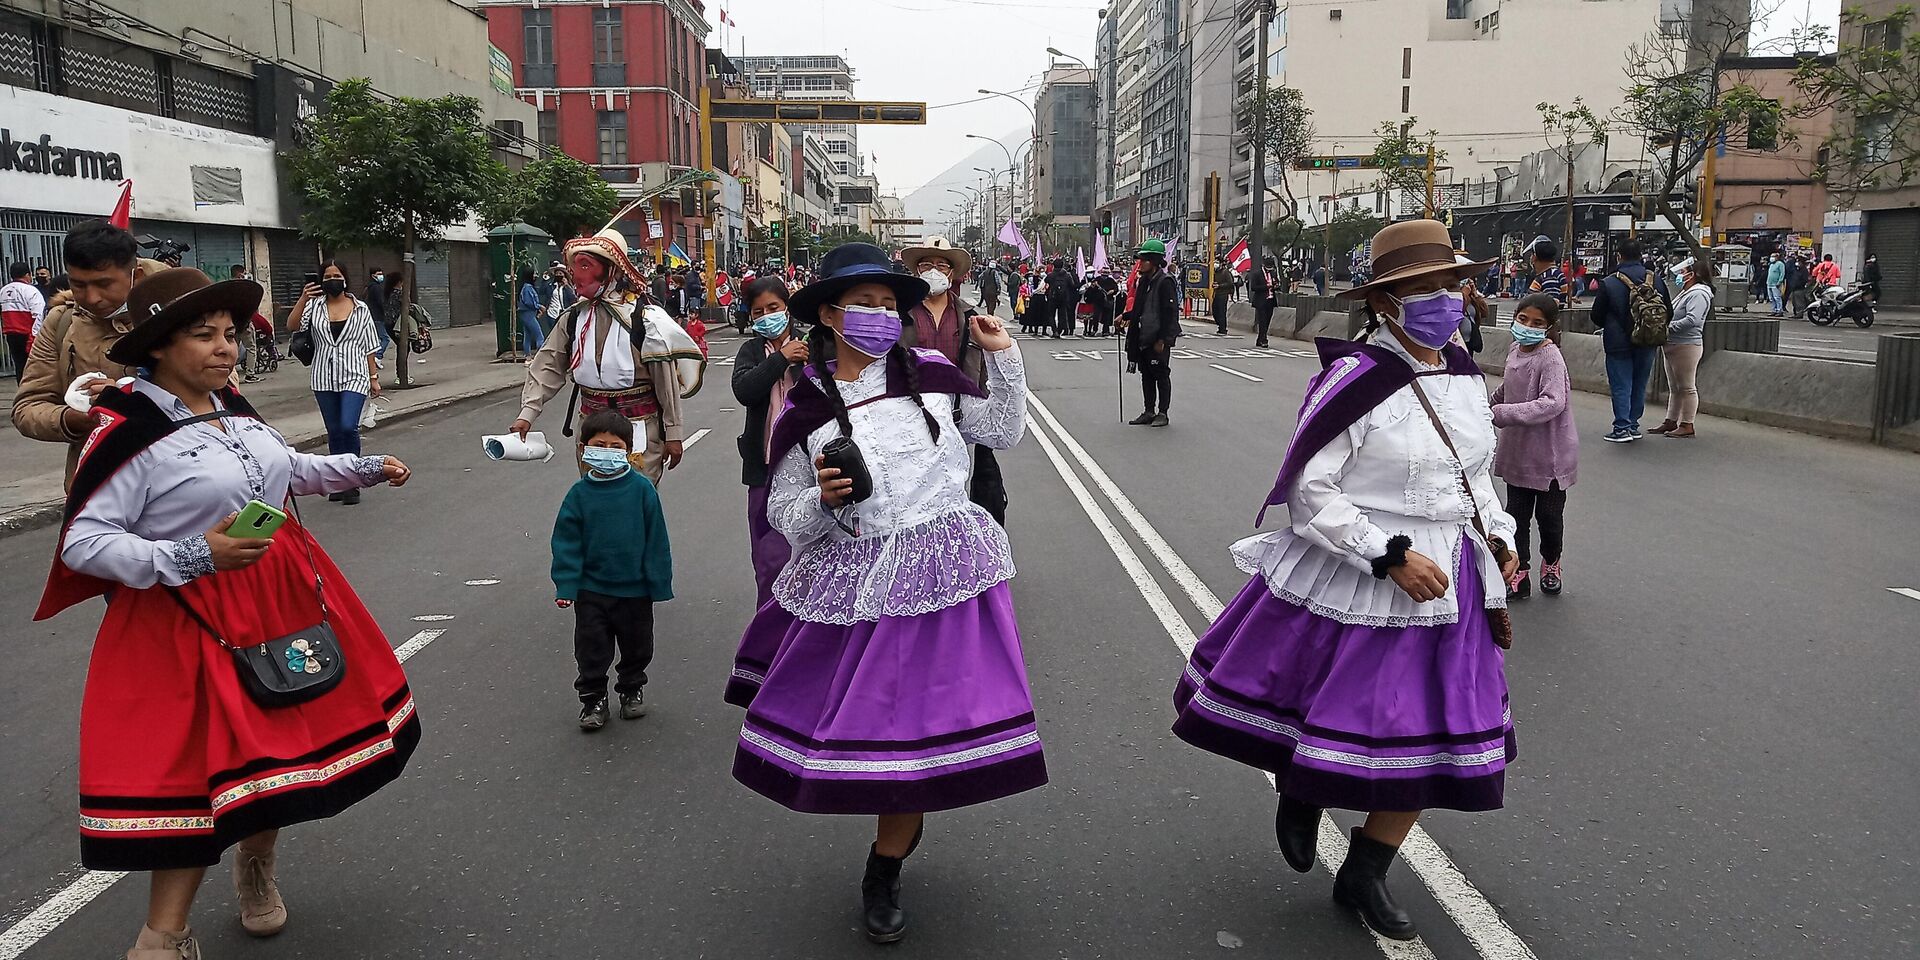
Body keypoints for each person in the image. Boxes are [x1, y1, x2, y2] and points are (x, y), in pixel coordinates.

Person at [35, 266, 417, 960]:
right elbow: (86, 543)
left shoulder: (232, 406)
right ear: (157, 347)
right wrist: (191, 554)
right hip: (184, 618)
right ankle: (163, 935)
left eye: (230, 335)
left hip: (276, 596)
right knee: (197, 775)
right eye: (203, 336)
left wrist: (361, 467)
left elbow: (283, 472)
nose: (225, 349)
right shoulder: (124, 429)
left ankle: (255, 869)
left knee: (276, 751)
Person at [1172, 219, 1519, 943]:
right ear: (1385, 302)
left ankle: (1367, 867)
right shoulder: (1356, 380)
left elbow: (1475, 477)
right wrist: (1385, 554)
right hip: (1365, 574)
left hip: (1451, 577)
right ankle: (1303, 789)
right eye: (1425, 289)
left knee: (1438, 736)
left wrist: (1501, 538)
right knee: (1349, 719)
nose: (1446, 300)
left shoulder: (1462, 376)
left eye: (1452, 285)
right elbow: (1309, 492)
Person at [727, 242, 1043, 944]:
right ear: (830, 316)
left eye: (885, 304)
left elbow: (1002, 431)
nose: (877, 316)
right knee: (880, 732)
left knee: (922, 736)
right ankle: (888, 857)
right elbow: (786, 515)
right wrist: (823, 497)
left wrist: (1006, 357)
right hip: (860, 586)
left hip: (944, 577)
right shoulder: (804, 410)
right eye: (861, 305)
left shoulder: (931, 375)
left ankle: (886, 863)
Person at [510, 229, 704, 486]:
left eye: (587, 265)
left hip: (638, 426)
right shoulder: (573, 318)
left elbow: (665, 382)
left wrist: (674, 433)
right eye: (576, 266)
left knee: (635, 501)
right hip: (591, 429)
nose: (577, 275)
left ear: (612, 269)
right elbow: (548, 365)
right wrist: (527, 413)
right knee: (595, 500)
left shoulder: (644, 320)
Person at [12, 220, 167, 486]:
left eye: (104, 284)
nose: (92, 297)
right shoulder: (62, 322)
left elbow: (221, 391)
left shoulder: (177, 313)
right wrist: (72, 420)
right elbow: (27, 407)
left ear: (136, 276)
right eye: (79, 285)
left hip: (176, 479)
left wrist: (126, 398)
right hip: (96, 488)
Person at [551, 409, 673, 731]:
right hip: (592, 590)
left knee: (638, 645)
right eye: (598, 445)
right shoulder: (578, 495)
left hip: (635, 590)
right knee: (591, 648)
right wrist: (566, 586)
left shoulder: (642, 490)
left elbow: (656, 539)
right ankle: (593, 699)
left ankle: (631, 689)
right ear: (583, 448)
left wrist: (658, 582)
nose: (606, 452)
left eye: (615, 446)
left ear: (629, 451)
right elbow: (566, 543)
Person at [901, 236, 1010, 525]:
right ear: (916, 270)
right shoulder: (899, 314)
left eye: (941, 265)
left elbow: (984, 369)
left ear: (952, 273)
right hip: (909, 414)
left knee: (953, 484)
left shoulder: (970, 316)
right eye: (926, 264)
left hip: (958, 415)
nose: (933, 271)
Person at [1492, 294, 1577, 600]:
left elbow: (1553, 402)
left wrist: (1502, 413)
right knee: (1516, 517)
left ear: (1549, 327)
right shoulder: (1515, 350)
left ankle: (1552, 563)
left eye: (1537, 323)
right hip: (1517, 451)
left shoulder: (1550, 358)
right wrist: (1484, 405)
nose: (1527, 326)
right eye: (1523, 319)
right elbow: (1507, 388)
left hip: (1548, 455)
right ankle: (1520, 571)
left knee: (1550, 518)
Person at [730, 276, 802, 607]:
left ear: (787, 308)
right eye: (759, 311)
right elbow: (744, 390)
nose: (767, 316)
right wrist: (780, 359)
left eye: (774, 308)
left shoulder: (812, 343)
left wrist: (799, 358)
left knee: (811, 557)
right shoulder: (751, 350)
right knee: (769, 560)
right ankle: (768, 639)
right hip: (764, 471)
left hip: (809, 471)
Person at [287, 260, 382, 505]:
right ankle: (337, 481)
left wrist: (374, 377)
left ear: (345, 278)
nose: (332, 279)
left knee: (348, 426)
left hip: (355, 375)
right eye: (327, 276)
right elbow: (292, 326)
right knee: (334, 431)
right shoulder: (314, 306)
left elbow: (370, 345)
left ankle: (352, 480)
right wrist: (303, 298)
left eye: (336, 275)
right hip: (323, 377)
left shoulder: (360, 308)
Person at [1589, 239, 1667, 442]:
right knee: (1639, 383)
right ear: (1641, 256)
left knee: (1621, 384)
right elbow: (1669, 310)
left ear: (1618, 256)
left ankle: (1621, 427)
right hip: (1648, 340)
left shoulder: (1610, 282)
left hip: (1618, 342)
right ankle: (1633, 425)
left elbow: (1596, 315)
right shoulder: (1656, 279)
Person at [1119, 238, 1181, 427]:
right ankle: (1148, 410)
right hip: (1142, 335)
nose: (1140, 264)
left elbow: (1170, 314)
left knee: (1161, 374)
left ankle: (1163, 412)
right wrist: (1125, 316)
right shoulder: (1144, 281)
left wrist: (1163, 339)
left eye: (1144, 260)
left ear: (1153, 261)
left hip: (1157, 337)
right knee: (1146, 374)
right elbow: (1141, 308)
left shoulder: (1165, 282)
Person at [1650, 257, 1713, 440]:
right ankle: (1671, 420)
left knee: (1686, 387)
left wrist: (1667, 327)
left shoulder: (1698, 293)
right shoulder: (1687, 292)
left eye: (1683, 272)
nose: (1680, 275)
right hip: (1673, 343)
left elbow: (1693, 320)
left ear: (1693, 275)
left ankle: (1687, 424)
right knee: (1675, 387)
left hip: (1686, 344)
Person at [3, 261, 46, 379]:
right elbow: (39, 315)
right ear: (27, 274)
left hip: (11, 335)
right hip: (27, 334)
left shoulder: (3, 291)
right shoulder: (30, 290)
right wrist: (34, 336)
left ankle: (21, 392)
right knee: (33, 366)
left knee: (19, 366)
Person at [1525, 237, 1567, 305]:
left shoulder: (1550, 276)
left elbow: (1552, 305)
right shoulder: (1550, 274)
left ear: (1535, 257)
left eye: (1531, 254)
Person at [516, 268, 546, 354]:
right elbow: (529, 302)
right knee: (539, 336)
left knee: (528, 335)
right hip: (528, 314)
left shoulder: (524, 287)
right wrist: (539, 306)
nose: (535, 276)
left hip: (526, 314)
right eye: (534, 274)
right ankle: (540, 355)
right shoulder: (527, 288)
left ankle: (527, 355)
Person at [363, 268, 391, 359]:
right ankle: (377, 356)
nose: (381, 275)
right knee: (385, 338)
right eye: (378, 274)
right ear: (373, 275)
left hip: (373, 316)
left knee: (377, 338)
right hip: (377, 316)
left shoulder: (370, 287)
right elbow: (380, 302)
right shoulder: (376, 287)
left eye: (381, 273)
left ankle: (374, 356)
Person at [1250, 257, 1278, 348]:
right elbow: (1253, 287)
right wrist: (1266, 286)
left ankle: (1259, 339)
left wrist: (1276, 286)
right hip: (1261, 300)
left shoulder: (1273, 273)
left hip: (1270, 300)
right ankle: (1264, 339)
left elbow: (1276, 284)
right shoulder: (1257, 274)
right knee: (1262, 321)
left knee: (1267, 321)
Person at [1211, 262, 1233, 334]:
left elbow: (1230, 283)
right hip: (1216, 294)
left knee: (1221, 312)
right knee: (1215, 311)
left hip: (1223, 294)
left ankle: (1222, 328)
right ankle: (1219, 324)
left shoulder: (1225, 272)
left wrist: (1219, 285)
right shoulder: (1214, 272)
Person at [1764, 252, 1786, 316]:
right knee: (1771, 298)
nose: (1772, 258)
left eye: (1773, 256)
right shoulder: (1771, 264)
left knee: (1777, 297)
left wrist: (1779, 282)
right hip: (1769, 283)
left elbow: (1782, 274)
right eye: (1771, 256)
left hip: (1776, 284)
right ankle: (1774, 310)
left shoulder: (1780, 264)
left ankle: (1779, 310)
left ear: (1777, 257)